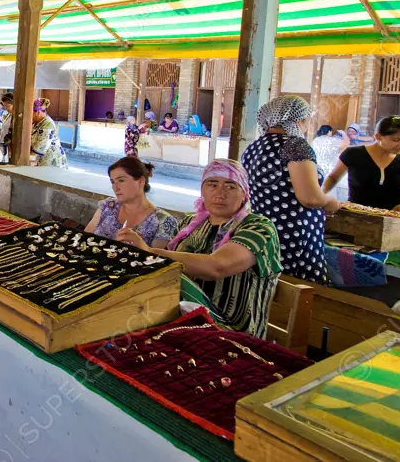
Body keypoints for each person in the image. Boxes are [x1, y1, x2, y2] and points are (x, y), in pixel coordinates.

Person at [118, 160, 282, 338]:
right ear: (202, 191)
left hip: (230, 332)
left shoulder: (259, 227)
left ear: (244, 194)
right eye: (212, 184)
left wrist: (151, 252)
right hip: (182, 321)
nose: (219, 193)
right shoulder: (190, 224)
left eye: (230, 186)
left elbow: (217, 266)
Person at [240, 95, 337, 285]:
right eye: (307, 119)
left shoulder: (254, 146)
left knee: (273, 286)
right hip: (295, 236)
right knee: (301, 289)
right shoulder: (295, 145)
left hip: (266, 232)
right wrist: (330, 201)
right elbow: (310, 198)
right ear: (298, 120)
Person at [85, 157, 177, 248]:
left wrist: (138, 244)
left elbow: (156, 258)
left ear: (141, 181)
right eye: (113, 182)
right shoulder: (108, 206)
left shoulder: (162, 221)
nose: (115, 187)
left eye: (121, 180)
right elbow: (84, 238)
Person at [323, 115, 400, 210]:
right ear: (378, 136)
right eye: (396, 140)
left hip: (394, 221)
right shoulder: (353, 154)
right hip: (357, 217)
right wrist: (321, 196)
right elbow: (333, 178)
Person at [31, 98, 67, 168]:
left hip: (51, 160)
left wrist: (29, 157)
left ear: (38, 112)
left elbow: (41, 146)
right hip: (41, 160)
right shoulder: (36, 123)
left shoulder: (48, 124)